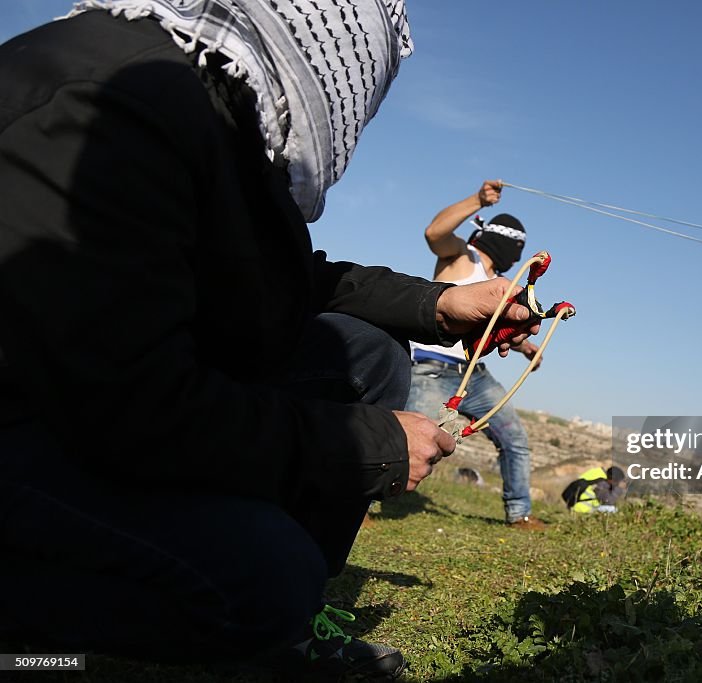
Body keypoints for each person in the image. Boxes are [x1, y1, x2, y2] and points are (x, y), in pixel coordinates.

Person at [0, 2, 538, 679]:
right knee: (263, 577)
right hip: (37, 424)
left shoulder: (206, 108)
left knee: (364, 352)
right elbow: (134, 405)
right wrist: (370, 446)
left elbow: (292, 281)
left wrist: (440, 303)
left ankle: (289, 633)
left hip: (83, 408)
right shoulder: (122, 100)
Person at [406, 180, 546, 530]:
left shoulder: (497, 281)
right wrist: (478, 200)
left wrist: (524, 346)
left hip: (475, 375)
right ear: (509, 244)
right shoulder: (459, 257)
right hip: (431, 371)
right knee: (405, 441)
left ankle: (520, 514)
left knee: (514, 438)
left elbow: (484, 331)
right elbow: (434, 231)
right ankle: (357, 507)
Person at [561, 466, 628, 513]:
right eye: (617, 482)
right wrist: (619, 489)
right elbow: (608, 501)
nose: (616, 484)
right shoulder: (601, 483)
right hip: (583, 509)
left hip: (576, 506)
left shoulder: (597, 474)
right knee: (613, 510)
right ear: (613, 479)